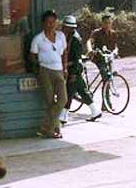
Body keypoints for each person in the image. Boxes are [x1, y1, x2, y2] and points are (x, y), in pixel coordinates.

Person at [30, 10, 68, 139]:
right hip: (45, 70)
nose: (51, 25)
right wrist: (38, 69)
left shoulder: (61, 36)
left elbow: (64, 52)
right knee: (50, 101)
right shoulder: (38, 39)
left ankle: (46, 126)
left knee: (63, 99)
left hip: (59, 70)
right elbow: (33, 55)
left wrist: (65, 67)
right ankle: (54, 130)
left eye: (53, 22)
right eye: (48, 22)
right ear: (44, 24)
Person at [59, 15, 102, 125]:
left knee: (69, 92)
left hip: (74, 70)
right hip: (70, 69)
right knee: (82, 91)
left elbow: (77, 59)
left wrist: (73, 73)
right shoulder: (67, 36)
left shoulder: (76, 40)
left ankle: (63, 115)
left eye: (66, 27)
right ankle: (95, 111)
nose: (64, 29)